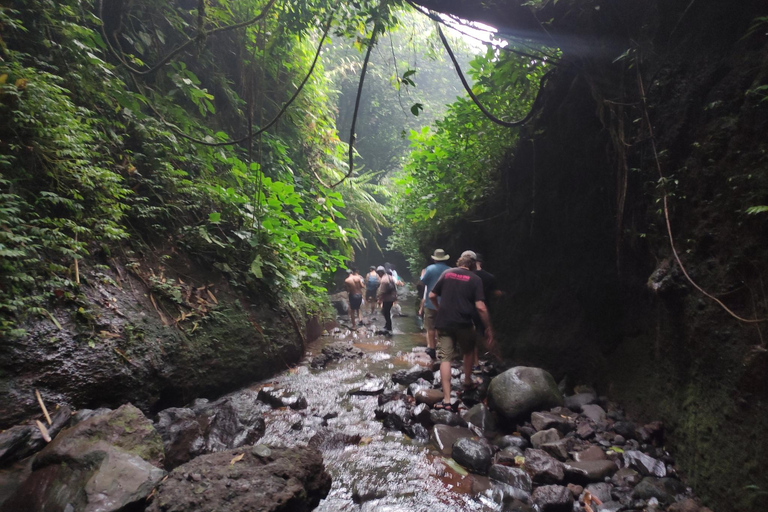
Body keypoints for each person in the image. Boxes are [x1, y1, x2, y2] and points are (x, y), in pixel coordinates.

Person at [429, 250, 493, 411]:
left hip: (444, 322)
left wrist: (439, 309)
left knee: (445, 358)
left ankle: (446, 400)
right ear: (472, 265)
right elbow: (480, 306)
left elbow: (431, 295)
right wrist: (488, 327)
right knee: (468, 351)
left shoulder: (447, 273)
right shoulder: (475, 279)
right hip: (464, 322)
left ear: (459, 262)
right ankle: (467, 381)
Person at [419, 248, 451, 360]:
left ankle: (432, 348)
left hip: (430, 303)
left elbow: (422, 282)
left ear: (435, 259)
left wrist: (422, 275)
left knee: (430, 327)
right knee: (443, 327)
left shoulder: (430, 269)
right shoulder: (450, 270)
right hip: (446, 304)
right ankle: (444, 349)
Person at [472, 253, 503, 366]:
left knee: (472, 337)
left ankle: (475, 364)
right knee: (487, 334)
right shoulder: (490, 277)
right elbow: (496, 293)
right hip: (484, 308)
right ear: (481, 262)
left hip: (468, 309)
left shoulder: (468, 275)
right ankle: (497, 359)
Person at [376, 265, 397, 333]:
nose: (378, 275)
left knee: (385, 312)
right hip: (392, 297)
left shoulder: (384, 280)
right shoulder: (389, 277)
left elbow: (382, 291)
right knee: (386, 311)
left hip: (387, 298)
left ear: (380, 273)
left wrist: (379, 300)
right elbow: (395, 287)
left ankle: (388, 327)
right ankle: (387, 325)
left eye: (378, 273)